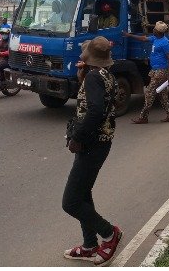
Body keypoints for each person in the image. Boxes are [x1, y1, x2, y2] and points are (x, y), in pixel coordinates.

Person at [62, 37, 123, 265]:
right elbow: (94, 104)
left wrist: (77, 138)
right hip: (99, 142)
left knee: (70, 202)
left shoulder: (94, 78)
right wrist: (82, 79)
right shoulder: (106, 75)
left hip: (92, 143)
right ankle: (89, 245)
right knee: (83, 194)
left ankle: (109, 233)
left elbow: (96, 111)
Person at [124, 21, 169, 123]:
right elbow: (143, 38)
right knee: (162, 94)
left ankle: (143, 117)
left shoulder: (165, 42)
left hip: (161, 71)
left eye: (155, 29)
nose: (153, 30)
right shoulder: (155, 38)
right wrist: (129, 35)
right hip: (155, 70)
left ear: (159, 32)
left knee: (149, 93)